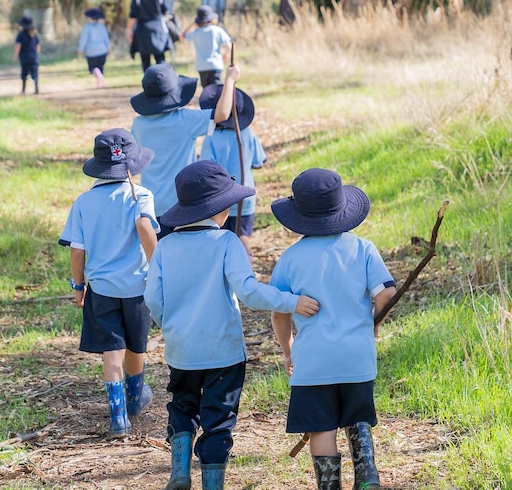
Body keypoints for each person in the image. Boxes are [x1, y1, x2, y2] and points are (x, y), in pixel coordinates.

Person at [144, 160, 320, 490]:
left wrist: (170, 325)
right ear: (219, 209)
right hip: (223, 352)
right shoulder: (227, 243)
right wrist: (291, 302)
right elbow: (249, 292)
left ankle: (180, 471)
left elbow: (152, 297)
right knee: (218, 420)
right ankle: (212, 484)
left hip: (181, 349)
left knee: (182, 405)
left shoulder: (165, 246)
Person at [269, 168, 397, 490]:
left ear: (299, 214)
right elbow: (387, 293)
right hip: (357, 358)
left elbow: (279, 313)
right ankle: (367, 475)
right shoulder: (363, 248)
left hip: (313, 361)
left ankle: (330, 486)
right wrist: (373, 323)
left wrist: (287, 352)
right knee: (358, 416)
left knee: (321, 426)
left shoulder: (290, 258)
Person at [58, 128, 160, 438]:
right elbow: (145, 227)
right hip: (138, 287)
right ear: (132, 166)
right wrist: (159, 270)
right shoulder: (141, 195)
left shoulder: (84, 202)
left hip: (101, 289)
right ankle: (135, 398)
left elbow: (77, 250)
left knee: (112, 351)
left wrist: (79, 287)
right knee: (136, 345)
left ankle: (118, 417)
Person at [130, 63, 239, 238]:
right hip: (183, 204)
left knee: (161, 258)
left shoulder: (139, 124)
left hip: (151, 205)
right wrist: (230, 80)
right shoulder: (185, 120)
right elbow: (222, 114)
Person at [198, 83, 265, 259]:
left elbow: (206, 167)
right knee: (242, 235)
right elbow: (259, 162)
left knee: (220, 239)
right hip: (245, 195)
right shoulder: (248, 134)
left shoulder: (211, 137)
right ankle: (247, 270)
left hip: (219, 198)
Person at [127, 0, 172, 72]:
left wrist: (129, 30)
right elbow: (166, 11)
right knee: (160, 56)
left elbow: (133, 15)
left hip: (143, 29)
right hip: (159, 28)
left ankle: (148, 82)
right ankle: (163, 80)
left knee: (145, 58)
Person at [181, 5, 232, 88]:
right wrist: (226, 54)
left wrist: (192, 24)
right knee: (216, 90)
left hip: (202, 66)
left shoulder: (196, 33)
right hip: (215, 64)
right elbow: (229, 45)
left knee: (206, 91)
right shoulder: (217, 30)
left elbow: (182, 36)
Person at [78, 7, 111, 89]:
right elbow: (106, 38)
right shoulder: (102, 26)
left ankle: (98, 76)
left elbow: (84, 39)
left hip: (91, 51)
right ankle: (101, 83)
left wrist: (80, 49)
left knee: (93, 68)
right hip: (102, 50)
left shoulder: (87, 27)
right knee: (100, 67)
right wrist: (109, 48)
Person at [13, 15, 41, 95]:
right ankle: (36, 88)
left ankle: (23, 90)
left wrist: (15, 56)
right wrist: (36, 53)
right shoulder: (34, 34)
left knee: (24, 74)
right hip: (34, 58)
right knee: (34, 74)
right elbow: (38, 45)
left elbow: (18, 46)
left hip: (24, 58)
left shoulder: (21, 35)